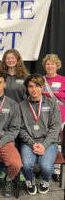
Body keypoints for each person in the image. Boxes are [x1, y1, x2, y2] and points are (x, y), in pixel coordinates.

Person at [19, 74, 61, 195]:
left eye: (37, 86)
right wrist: (33, 144)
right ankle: (29, 180)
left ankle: (46, 180)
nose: (34, 89)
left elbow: (55, 127)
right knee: (26, 165)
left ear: (42, 87)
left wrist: (44, 144)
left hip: (48, 142)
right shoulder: (21, 106)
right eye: (30, 86)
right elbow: (21, 129)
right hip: (29, 142)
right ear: (27, 88)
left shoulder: (52, 103)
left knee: (46, 167)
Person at [0, 49, 29, 180]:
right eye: (8, 58)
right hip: (1, 114)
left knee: (19, 142)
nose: (10, 60)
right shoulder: (0, 75)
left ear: (18, 60)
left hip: (20, 114)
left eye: (13, 58)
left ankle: (18, 169)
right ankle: (3, 168)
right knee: (4, 140)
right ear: (4, 60)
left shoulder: (25, 76)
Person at [42, 54, 65, 182]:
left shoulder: (63, 80)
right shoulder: (40, 80)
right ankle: (45, 167)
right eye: (47, 64)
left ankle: (56, 170)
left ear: (57, 65)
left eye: (52, 64)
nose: (50, 66)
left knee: (56, 141)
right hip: (42, 116)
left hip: (59, 116)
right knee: (43, 140)